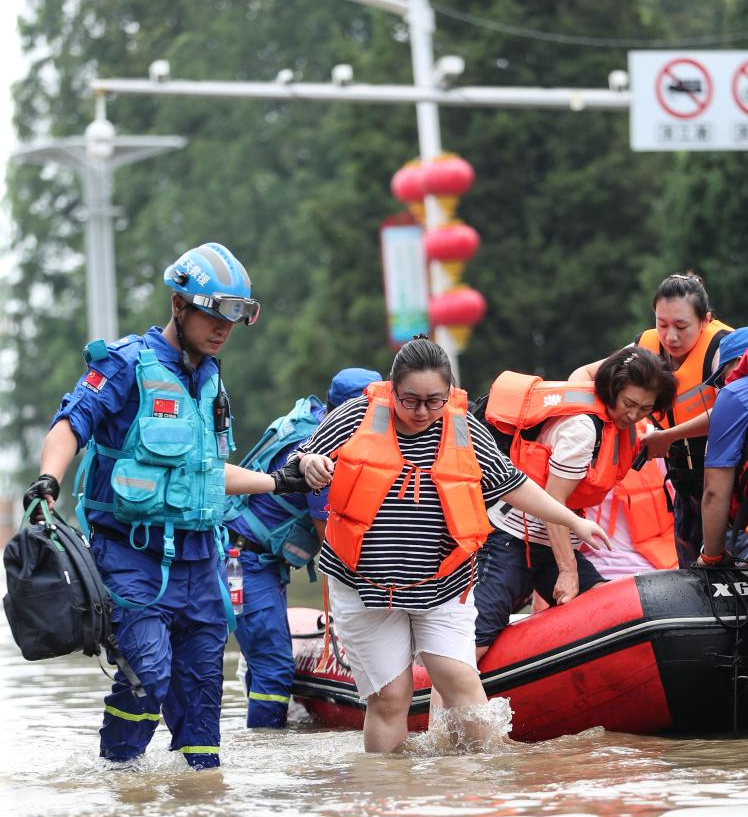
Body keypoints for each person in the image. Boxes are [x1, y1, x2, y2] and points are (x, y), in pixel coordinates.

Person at [22, 242, 308, 770]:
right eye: (214, 312)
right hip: (131, 559)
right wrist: (47, 482)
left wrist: (276, 480)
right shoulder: (125, 365)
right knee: (147, 674)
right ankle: (119, 782)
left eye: (237, 316)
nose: (224, 328)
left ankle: (198, 816)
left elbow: (206, 473)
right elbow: (70, 425)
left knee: (203, 706)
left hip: (202, 562)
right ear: (179, 305)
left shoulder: (211, 380)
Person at [296, 336, 612, 754]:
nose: (423, 412)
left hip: (443, 585)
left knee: (464, 689)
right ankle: (387, 803)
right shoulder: (356, 416)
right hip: (365, 587)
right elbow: (302, 457)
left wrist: (572, 520)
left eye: (434, 401)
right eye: (410, 401)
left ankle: (478, 795)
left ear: (448, 395)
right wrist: (311, 464)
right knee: (391, 698)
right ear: (393, 390)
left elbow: (516, 485)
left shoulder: (464, 430)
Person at [474, 346, 677, 660]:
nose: (634, 415)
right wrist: (568, 572)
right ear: (612, 389)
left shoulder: (622, 427)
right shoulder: (583, 429)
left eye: (644, 408)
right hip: (510, 540)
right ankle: (436, 707)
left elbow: (595, 368)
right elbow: (554, 503)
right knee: (476, 643)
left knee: (603, 607)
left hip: (550, 543)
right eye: (629, 404)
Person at [223, 366, 380, 728]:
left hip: (251, 556)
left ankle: (260, 734)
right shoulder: (324, 458)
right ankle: (267, 749)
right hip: (242, 560)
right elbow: (334, 543)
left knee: (265, 661)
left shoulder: (311, 426)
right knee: (274, 667)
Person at [570, 272, 732, 568]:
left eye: (682, 326)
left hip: (728, 483)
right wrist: (596, 425)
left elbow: (732, 409)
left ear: (705, 320)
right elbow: (581, 375)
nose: (670, 336)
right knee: (692, 573)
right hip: (684, 486)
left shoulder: (723, 350)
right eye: (662, 324)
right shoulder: (645, 347)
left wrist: (667, 436)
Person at [696, 326, 748, 567]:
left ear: (739, 361)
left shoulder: (735, 394)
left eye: (721, 378)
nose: (720, 387)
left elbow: (715, 492)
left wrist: (712, 557)